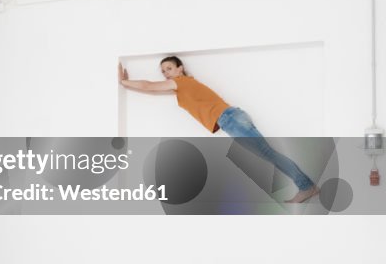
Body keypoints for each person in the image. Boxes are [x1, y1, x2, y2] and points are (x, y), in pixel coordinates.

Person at [119, 55, 320, 204]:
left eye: (169, 68)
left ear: (180, 69)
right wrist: (129, 86)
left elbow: (149, 86)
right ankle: (306, 186)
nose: (165, 73)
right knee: (268, 154)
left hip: (230, 119)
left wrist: (123, 82)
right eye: (163, 71)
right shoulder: (185, 86)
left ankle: (307, 186)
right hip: (233, 118)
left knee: (269, 154)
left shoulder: (180, 83)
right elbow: (153, 91)